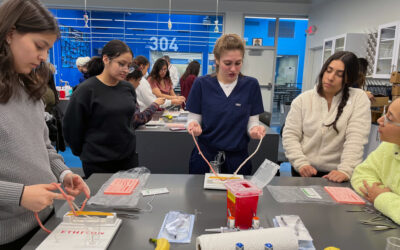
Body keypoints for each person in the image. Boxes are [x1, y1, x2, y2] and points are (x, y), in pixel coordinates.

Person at [0, 0, 89, 248]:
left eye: (48, 49)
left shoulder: (27, 89)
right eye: (39, 46)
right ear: (9, 34)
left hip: (43, 222)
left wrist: (64, 172)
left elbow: (43, 146)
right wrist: (19, 195)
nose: (43, 58)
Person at [282, 51, 371, 183]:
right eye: (328, 71)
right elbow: (290, 135)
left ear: (348, 78)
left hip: (337, 175)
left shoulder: (358, 99)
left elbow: (356, 139)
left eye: (339, 74)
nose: (330, 77)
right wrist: (300, 162)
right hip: (303, 172)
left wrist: (346, 170)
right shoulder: (303, 100)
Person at [186, 34, 266, 175]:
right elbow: (193, 119)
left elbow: (253, 122)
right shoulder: (202, 84)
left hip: (238, 159)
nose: (233, 69)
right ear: (216, 60)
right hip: (206, 158)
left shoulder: (251, 85)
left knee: (236, 196)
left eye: (238, 63)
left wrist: (254, 130)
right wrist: (193, 125)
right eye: (227, 63)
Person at [63, 40, 138, 178]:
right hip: (98, 162)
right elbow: (71, 128)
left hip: (128, 159)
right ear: (106, 59)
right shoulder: (86, 90)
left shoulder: (127, 88)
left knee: (128, 197)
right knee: (101, 199)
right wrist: (85, 152)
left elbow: (128, 122)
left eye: (129, 66)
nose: (126, 70)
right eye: (121, 64)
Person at [351, 99, 400, 225]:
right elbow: (361, 174)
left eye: (389, 117)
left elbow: (380, 196)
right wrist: (377, 193)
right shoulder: (390, 146)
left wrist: (382, 197)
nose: (380, 120)